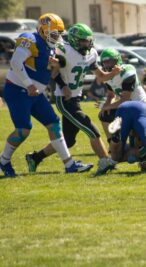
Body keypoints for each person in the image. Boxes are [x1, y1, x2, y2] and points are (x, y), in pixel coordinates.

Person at [0, 14, 93, 177]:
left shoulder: (50, 47)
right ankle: (4, 160)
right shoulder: (30, 39)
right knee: (23, 130)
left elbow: (48, 74)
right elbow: (15, 62)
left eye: (58, 34)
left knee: (54, 124)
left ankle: (69, 164)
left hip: (35, 93)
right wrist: (29, 84)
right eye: (54, 34)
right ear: (43, 31)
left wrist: (55, 67)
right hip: (17, 89)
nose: (56, 38)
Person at [25, 23, 121, 176]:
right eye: (83, 41)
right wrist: (63, 86)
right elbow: (54, 72)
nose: (87, 43)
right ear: (75, 40)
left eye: (88, 40)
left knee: (68, 140)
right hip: (64, 99)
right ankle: (104, 160)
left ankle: (35, 157)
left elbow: (101, 77)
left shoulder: (91, 54)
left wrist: (114, 73)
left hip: (75, 99)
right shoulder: (64, 49)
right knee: (92, 129)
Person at [98, 48, 146, 144]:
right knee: (103, 115)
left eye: (111, 61)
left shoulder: (127, 71)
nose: (108, 65)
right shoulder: (108, 76)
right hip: (125, 108)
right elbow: (110, 95)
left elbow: (124, 100)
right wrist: (106, 106)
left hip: (140, 108)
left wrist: (106, 106)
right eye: (106, 62)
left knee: (141, 143)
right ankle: (112, 142)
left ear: (118, 60)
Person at [108, 101, 146, 173]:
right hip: (140, 110)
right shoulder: (145, 151)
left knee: (116, 157)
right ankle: (116, 136)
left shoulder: (140, 149)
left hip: (129, 108)